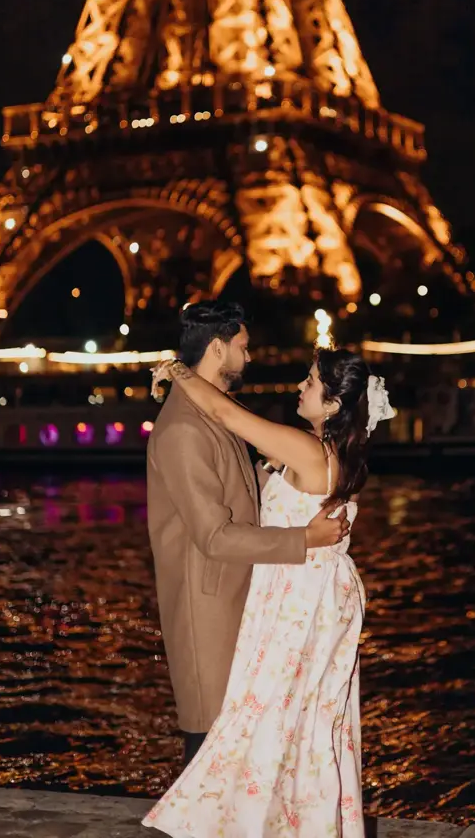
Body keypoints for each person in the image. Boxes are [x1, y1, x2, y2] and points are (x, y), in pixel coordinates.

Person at [143, 342, 394, 838]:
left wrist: (176, 368)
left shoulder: (304, 449)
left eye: (310, 383)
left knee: (267, 714)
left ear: (333, 406)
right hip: (314, 595)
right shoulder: (319, 450)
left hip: (298, 597)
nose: (299, 387)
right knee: (300, 721)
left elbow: (221, 409)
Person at [146, 302, 351, 769]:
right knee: (209, 756)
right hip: (210, 609)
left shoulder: (211, 415)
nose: (250, 356)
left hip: (240, 601)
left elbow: (236, 489)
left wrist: (277, 479)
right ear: (218, 348)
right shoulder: (183, 427)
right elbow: (214, 537)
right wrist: (304, 538)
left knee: (230, 760)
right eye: (243, 347)